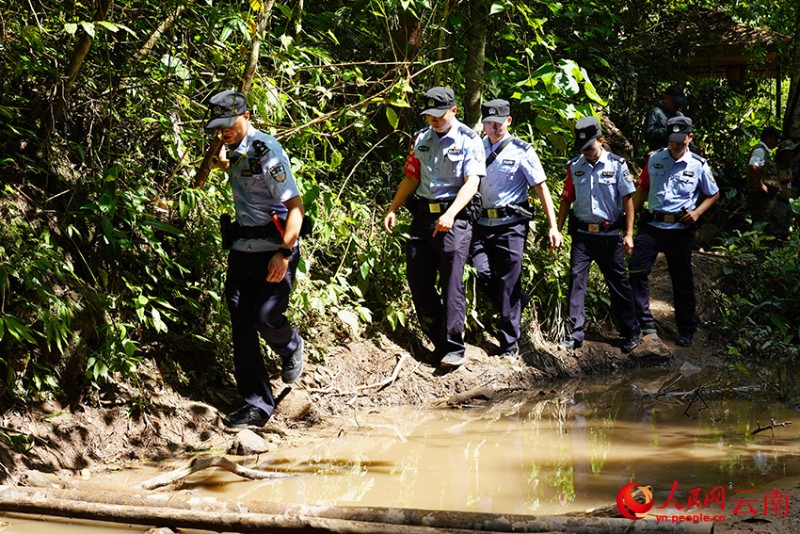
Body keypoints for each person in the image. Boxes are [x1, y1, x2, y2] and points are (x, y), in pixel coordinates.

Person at [205, 90, 305, 428]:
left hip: (274, 251)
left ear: (246, 116)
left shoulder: (267, 152)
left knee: (264, 316)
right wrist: (222, 156)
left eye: (228, 125)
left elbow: (296, 209)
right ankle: (257, 404)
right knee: (241, 323)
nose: (223, 132)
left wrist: (284, 253)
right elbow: (232, 166)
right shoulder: (234, 149)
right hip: (241, 250)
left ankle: (290, 345)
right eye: (218, 128)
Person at [383, 86, 485, 369]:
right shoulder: (421, 138)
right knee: (417, 278)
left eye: (439, 114)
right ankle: (439, 343)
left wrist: (451, 214)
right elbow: (411, 177)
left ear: (453, 110)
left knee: (451, 282)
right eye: (430, 114)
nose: (434, 119)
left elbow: (472, 182)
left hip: (455, 217)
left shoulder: (469, 139)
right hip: (423, 217)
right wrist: (393, 208)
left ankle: (454, 348)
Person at [469, 99, 562, 359]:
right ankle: (517, 302)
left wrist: (553, 227)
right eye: (489, 123)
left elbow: (541, 188)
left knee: (509, 281)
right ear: (483, 124)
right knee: (481, 273)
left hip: (511, 226)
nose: (494, 127)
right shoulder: (476, 147)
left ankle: (509, 346)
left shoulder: (522, 151)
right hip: (481, 224)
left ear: (508, 121)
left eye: (499, 123)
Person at [629, 116, 719, 347]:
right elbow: (642, 189)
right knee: (637, 270)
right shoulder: (654, 158)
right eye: (672, 140)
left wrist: (697, 213)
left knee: (682, 279)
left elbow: (713, 193)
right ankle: (645, 322)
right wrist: (628, 221)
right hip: (652, 225)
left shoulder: (698, 164)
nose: (676, 145)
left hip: (680, 230)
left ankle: (686, 328)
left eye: (681, 140)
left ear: (690, 137)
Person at [556, 116, 641, 353]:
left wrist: (629, 234)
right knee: (576, 280)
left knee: (618, 283)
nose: (586, 153)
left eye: (590, 147)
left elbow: (628, 200)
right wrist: (557, 230)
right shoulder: (575, 166)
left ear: (601, 141)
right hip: (582, 235)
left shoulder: (617, 165)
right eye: (582, 149)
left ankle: (631, 330)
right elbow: (566, 199)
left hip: (609, 235)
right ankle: (575, 333)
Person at [746, 126, 781, 228]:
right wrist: (761, 185)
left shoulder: (765, 152)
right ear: (768, 138)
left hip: (762, 195)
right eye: (775, 139)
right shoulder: (760, 150)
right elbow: (753, 166)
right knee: (760, 223)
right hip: (759, 196)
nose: (777, 142)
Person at [644, 84, 688, 151]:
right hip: (659, 153)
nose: (677, 106)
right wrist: (668, 131)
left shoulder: (680, 115)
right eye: (675, 102)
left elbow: (686, 134)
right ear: (666, 98)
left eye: (678, 103)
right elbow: (649, 134)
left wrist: (694, 148)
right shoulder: (656, 112)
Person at [772, 138, 799, 240]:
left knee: (786, 232)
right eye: (789, 152)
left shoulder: (789, 167)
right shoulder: (774, 166)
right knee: (775, 231)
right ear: (782, 153)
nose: (792, 154)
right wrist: (780, 181)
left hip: (787, 203)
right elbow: (768, 182)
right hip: (777, 203)